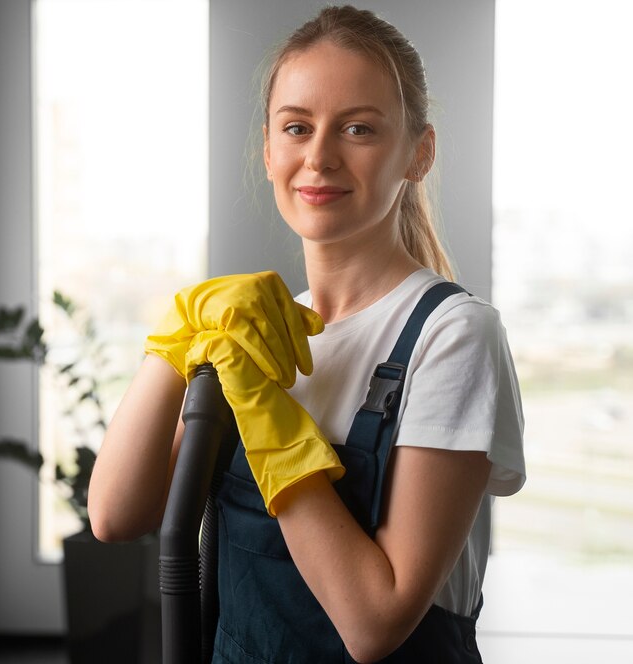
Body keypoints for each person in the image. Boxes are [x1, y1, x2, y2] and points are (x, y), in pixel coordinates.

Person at [88, 5, 525, 663]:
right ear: (268, 150)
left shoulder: (452, 337)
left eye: (358, 128)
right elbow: (117, 515)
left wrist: (273, 427)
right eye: (296, 127)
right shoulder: (251, 331)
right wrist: (177, 333)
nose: (319, 157)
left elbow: (374, 623)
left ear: (418, 152)